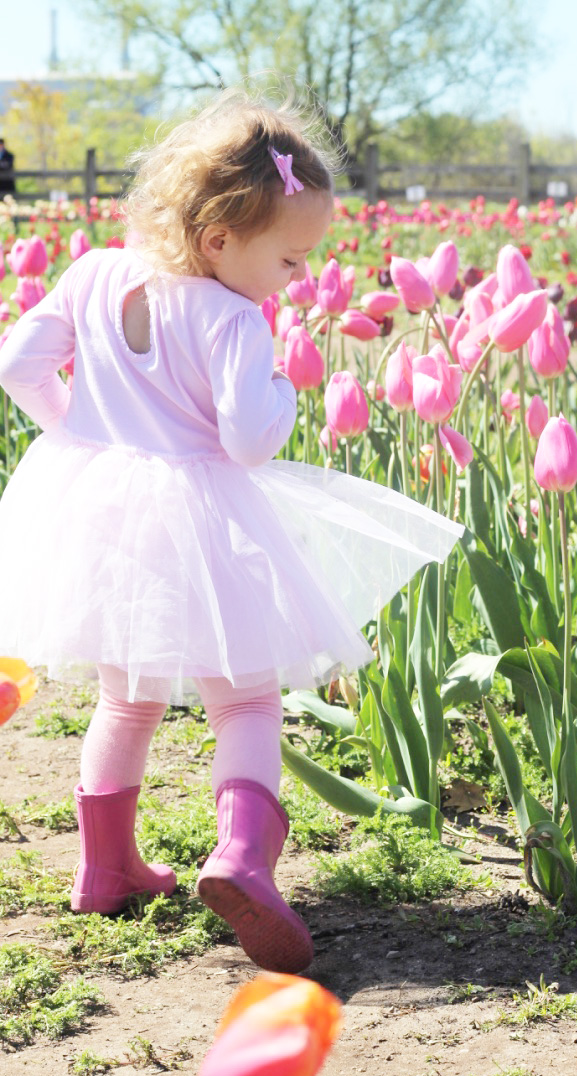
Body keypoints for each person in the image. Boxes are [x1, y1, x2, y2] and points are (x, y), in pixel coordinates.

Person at [0, 89, 462, 974]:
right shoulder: (231, 317)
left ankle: (107, 868)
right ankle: (243, 859)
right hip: (206, 514)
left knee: (123, 695)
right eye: (289, 261)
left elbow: (18, 363)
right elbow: (250, 442)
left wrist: (76, 433)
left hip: (99, 503)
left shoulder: (94, 272)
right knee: (245, 698)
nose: (295, 279)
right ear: (219, 241)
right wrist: (284, 390)